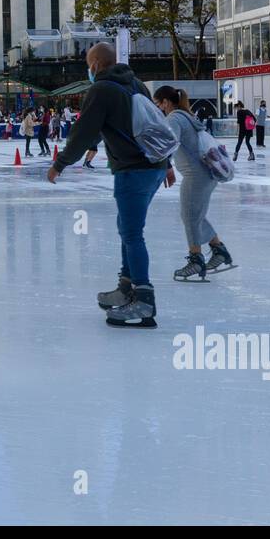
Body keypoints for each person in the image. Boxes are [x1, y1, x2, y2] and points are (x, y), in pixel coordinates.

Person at [49, 43, 174, 329]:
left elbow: (83, 134)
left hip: (133, 170)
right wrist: (166, 164)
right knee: (127, 229)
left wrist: (60, 163)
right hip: (152, 168)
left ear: (95, 65)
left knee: (132, 233)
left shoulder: (101, 90)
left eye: (88, 63)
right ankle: (126, 287)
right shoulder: (137, 84)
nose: (88, 69)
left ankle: (143, 300)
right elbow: (154, 125)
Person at [154, 87, 233, 282]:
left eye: (158, 104)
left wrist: (164, 166)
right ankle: (218, 250)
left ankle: (196, 259)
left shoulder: (174, 118)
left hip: (196, 175)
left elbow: (168, 142)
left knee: (190, 216)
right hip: (206, 174)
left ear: (165, 102)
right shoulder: (187, 115)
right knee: (193, 215)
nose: (158, 108)